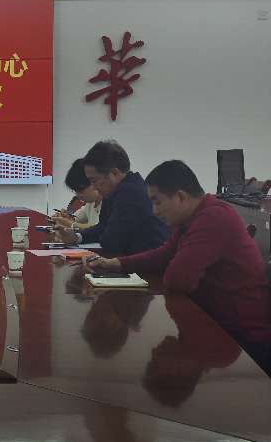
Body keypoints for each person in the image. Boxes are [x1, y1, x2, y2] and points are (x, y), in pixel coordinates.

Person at [86, 160, 271, 375]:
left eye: (157, 202)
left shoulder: (213, 217)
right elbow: (164, 254)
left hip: (244, 337)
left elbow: (178, 279)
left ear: (181, 196)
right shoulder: (193, 218)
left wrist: (173, 262)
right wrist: (117, 263)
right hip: (217, 321)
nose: (154, 211)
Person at [54, 140, 168, 255]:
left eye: (94, 180)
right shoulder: (114, 191)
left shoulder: (130, 192)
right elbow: (103, 227)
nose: (93, 186)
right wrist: (77, 237)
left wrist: (100, 236)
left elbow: (111, 241)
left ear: (114, 173)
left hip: (149, 262)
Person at [52, 158, 102, 231]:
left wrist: (71, 224)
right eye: (75, 191)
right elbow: (76, 218)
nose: (78, 195)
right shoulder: (90, 203)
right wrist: (66, 217)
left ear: (94, 182)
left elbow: (101, 228)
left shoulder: (111, 203)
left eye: (80, 190)